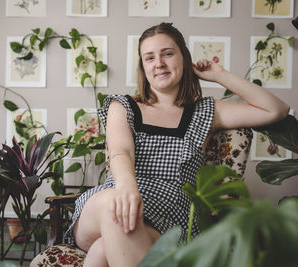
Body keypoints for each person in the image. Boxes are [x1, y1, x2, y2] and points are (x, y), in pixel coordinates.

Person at [64, 22, 290, 267]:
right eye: (149, 58)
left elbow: (276, 110)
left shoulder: (206, 111)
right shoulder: (124, 105)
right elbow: (121, 151)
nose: (158, 63)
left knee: (101, 252)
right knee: (115, 207)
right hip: (117, 197)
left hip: (171, 217)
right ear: (143, 67)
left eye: (167, 54)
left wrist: (219, 75)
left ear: (184, 58)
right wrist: (128, 189)